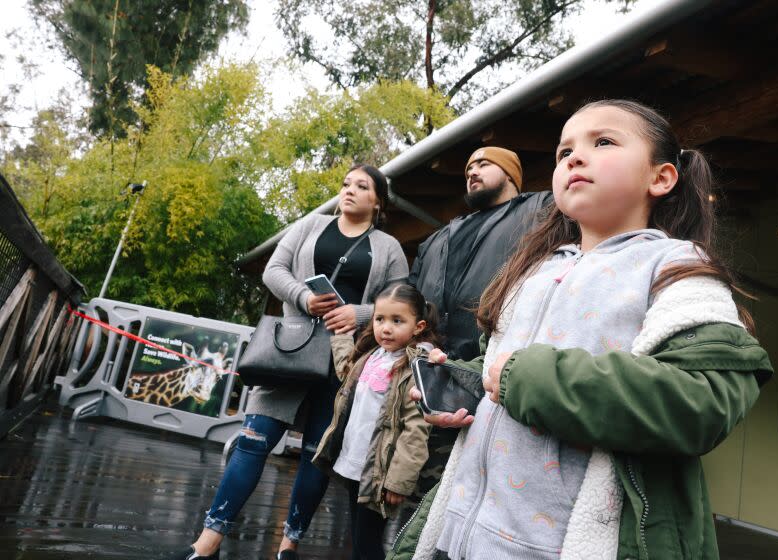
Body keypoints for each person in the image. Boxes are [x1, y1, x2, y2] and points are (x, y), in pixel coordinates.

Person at [390, 99, 773, 560]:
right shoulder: (530, 272)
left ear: (661, 178)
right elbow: (502, 371)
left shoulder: (677, 267)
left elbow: (706, 399)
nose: (574, 157)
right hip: (459, 536)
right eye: (563, 151)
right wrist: (465, 382)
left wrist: (528, 379)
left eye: (603, 141)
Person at [170, 164, 409, 560]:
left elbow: (399, 302)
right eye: (346, 183)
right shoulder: (311, 225)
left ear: (377, 201)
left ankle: (289, 544)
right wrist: (303, 297)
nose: (349, 190)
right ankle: (208, 541)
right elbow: (273, 271)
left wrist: (360, 315)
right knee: (254, 438)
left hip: (344, 359)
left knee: (316, 453)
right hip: (290, 348)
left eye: (361, 186)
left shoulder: (388, 248)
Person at [409, 146, 553, 494]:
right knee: (412, 493)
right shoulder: (440, 237)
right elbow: (409, 293)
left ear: (510, 174)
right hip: (431, 376)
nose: (472, 171)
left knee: (470, 487)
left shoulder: (540, 209)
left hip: (494, 379)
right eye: (469, 167)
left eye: (484, 164)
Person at [312, 284, 441, 560]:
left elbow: (416, 429)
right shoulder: (374, 355)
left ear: (418, 327)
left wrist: (398, 481)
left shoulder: (415, 368)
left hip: (381, 474)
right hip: (355, 462)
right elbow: (346, 368)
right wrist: (342, 335)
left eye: (397, 321)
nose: (386, 328)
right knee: (358, 537)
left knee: (367, 541)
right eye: (380, 319)